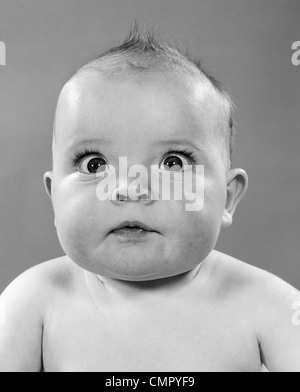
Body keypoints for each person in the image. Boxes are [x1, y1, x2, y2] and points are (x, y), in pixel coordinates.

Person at [1, 23, 300, 372]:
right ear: (54, 197)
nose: (130, 187)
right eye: (94, 163)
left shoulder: (270, 305)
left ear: (227, 198)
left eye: (173, 163)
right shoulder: (31, 302)